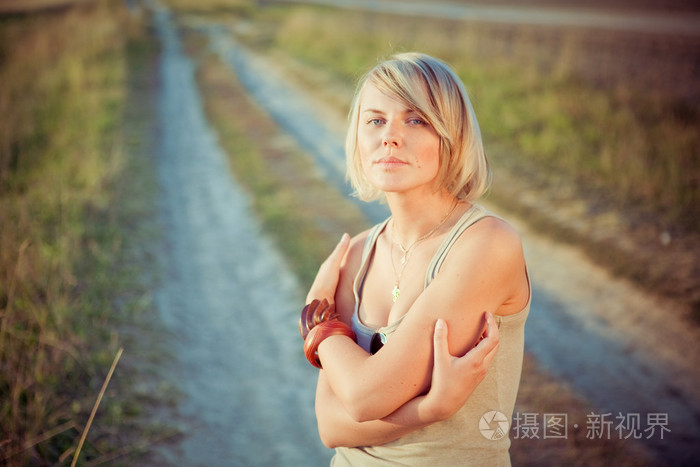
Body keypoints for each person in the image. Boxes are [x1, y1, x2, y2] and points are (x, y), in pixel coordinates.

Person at [299, 52, 530, 466]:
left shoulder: (486, 244)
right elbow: (331, 427)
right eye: (375, 120)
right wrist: (429, 409)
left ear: (452, 135)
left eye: (415, 119)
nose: (389, 136)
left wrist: (317, 320)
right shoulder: (356, 255)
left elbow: (363, 396)